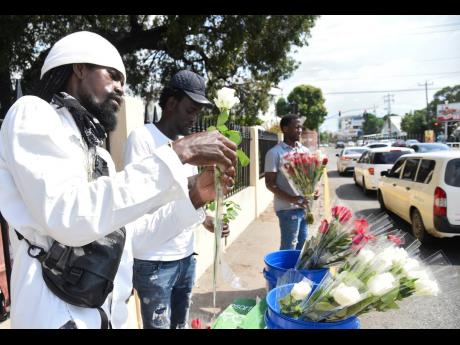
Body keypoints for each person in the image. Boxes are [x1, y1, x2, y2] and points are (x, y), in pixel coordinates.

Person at [0, 31, 236, 329]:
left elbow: (131, 239)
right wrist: (177, 154)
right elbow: (69, 216)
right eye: (112, 76)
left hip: (108, 315)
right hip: (55, 316)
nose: (121, 89)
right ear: (79, 68)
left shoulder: (100, 155)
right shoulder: (32, 114)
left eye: (123, 82)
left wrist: (195, 197)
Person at [123, 70, 230, 329]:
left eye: (198, 112)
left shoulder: (188, 143)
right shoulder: (143, 139)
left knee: (181, 325)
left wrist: (206, 219)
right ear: (171, 104)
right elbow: (141, 198)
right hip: (155, 261)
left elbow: (189, 199)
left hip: (186, 257)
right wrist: (195, 187)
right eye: (190, 110)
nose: (195, 118)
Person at [264, 115, 316, 250]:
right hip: (287, 209)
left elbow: (309, 177)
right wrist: (292, 199)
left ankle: (296, 272)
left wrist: (312, 191)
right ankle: (284, 272)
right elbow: (270, 183)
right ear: (285, 129)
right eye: (296, 127)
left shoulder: (304, 151)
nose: (300, 130)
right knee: (289, 247)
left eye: (301, 127)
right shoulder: (274, 153)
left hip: (304, 208)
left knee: (302, 246)